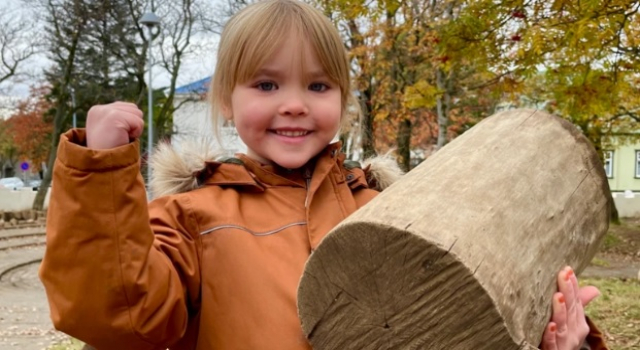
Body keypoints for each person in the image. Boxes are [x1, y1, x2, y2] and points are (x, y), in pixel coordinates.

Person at [39, 1, 608, 349]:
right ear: (226, 105)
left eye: (317, 86)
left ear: (344, 101)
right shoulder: (191, 218)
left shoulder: (399, 209)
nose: (293, 104)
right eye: (266, 85)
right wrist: (99, 175)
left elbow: (462, 323)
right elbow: (119, 319)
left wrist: (556, 341)